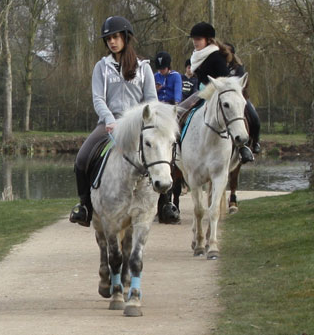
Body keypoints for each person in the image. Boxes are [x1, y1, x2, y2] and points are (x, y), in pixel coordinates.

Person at [69, 16, 161, 227]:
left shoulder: (144, 68)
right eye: (108, 38)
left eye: (116, 37)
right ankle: (84, 206)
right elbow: (98, 98)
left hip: (137, 125)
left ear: (126, 38)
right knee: (82, 159)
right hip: (108, 124)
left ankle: (165, 204)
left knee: (161, 157)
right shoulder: (102, 67)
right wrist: (110, 120)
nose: (112, 42)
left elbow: (151, 100)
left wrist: (140, 121)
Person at [177, 22, 254, 165]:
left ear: (208, 40)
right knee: (178, 112)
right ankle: (175, 147)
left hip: (220, 93)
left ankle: (244, 147)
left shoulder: (216, 56)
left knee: (251, 116)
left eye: (198, 39)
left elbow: (224, 80)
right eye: (194, 39)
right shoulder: (196, 56)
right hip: (201, 92)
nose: (195, 42)